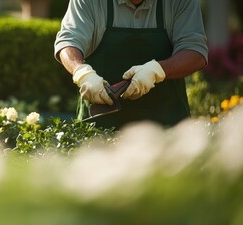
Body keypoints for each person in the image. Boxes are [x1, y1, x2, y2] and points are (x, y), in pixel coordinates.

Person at [54, 0, 208, 129]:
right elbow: (68, 41)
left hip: (166, 126)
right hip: (100, 128)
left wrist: (158, 70)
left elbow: (195, 51)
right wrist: (81, 72)